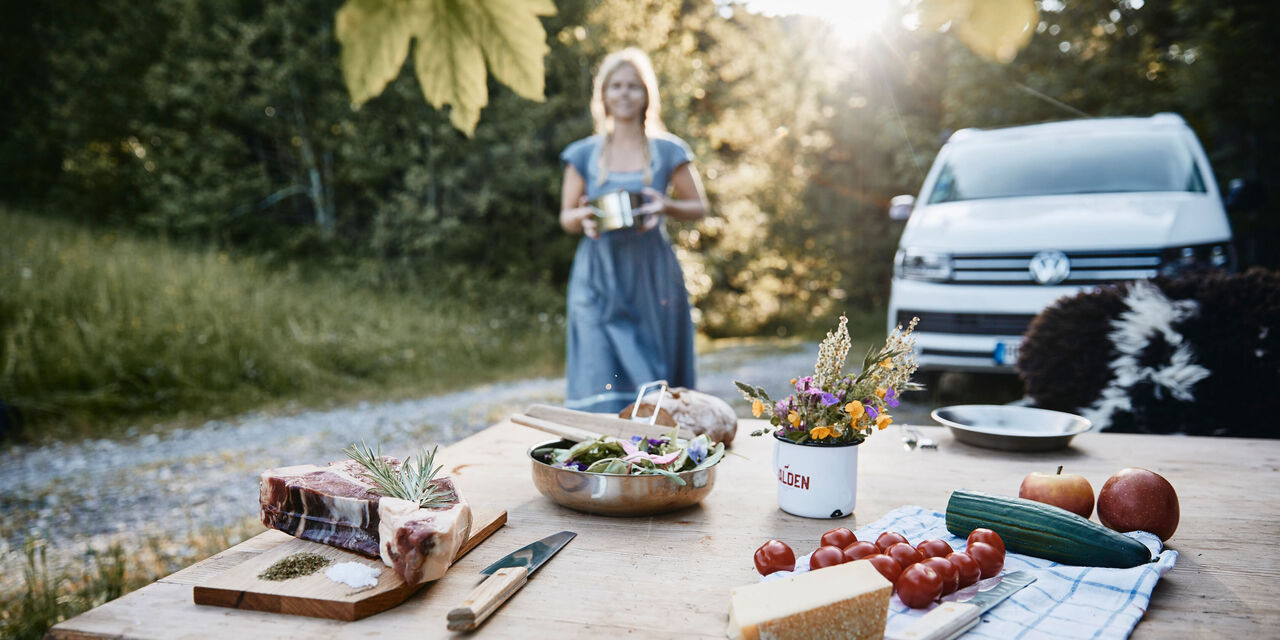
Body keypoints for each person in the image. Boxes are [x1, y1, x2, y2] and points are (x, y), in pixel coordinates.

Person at [558, 48, 709, 412]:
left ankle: (653, 452)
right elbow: (566, 216)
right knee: (598, 366)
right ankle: (598, 454)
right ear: (604, 95)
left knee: (651, 377)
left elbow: (699, 208)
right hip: (597, 272)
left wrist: (666, 205)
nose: (624, 93)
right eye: (616, 86)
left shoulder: (668, 150)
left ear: (647, 95)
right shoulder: (583, 154)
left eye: (633, 86)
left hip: (651, 273)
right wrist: (583, 218)